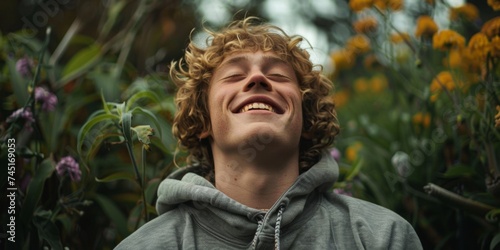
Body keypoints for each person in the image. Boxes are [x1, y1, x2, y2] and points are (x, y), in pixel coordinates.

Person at [115, 17, 423, 249]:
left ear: (306, 120)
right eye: (235, 75)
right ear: (203, 119)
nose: (259, 78)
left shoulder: (382, 237)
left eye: (277, 75)